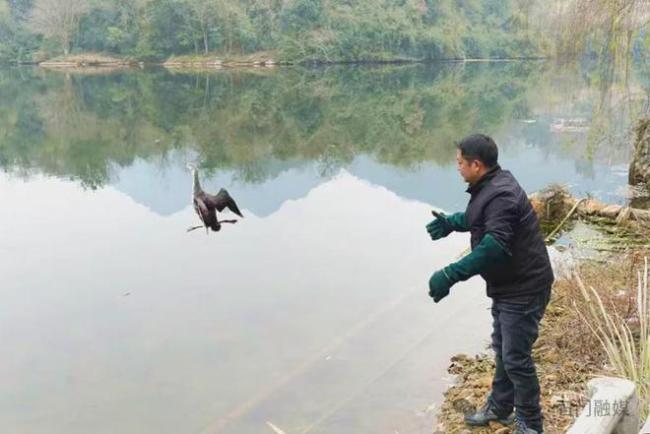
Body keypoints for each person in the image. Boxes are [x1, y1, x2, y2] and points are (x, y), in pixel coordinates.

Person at [426, 134, 554, 434]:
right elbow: (476, 217)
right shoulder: (490, 186)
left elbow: (494, 246)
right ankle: (500, 406)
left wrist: (450, 274)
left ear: (476, 164)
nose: (457, 168)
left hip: (525, 288)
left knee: (516, 359)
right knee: (503, 348)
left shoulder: (502, 194)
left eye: (459, 163)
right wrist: (450, 223)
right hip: (509, 286)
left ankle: (530, 425)